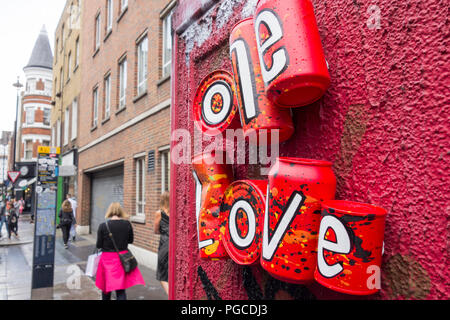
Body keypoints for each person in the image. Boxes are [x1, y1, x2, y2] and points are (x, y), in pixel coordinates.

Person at [95, 203, 145, 300]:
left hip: (107, 260)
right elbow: (130, 240)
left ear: (109, 211)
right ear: (121, 211)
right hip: (122, 259)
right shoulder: (127, 224)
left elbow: (99, 245)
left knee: (106, 288)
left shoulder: (103, 226)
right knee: (120, 289)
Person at [154, 192, 170, 295]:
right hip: (174, 242)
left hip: (164, 243)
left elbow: (156, 230)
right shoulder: (176, 211)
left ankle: (171, 296)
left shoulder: (159, 213)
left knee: (162, 274)